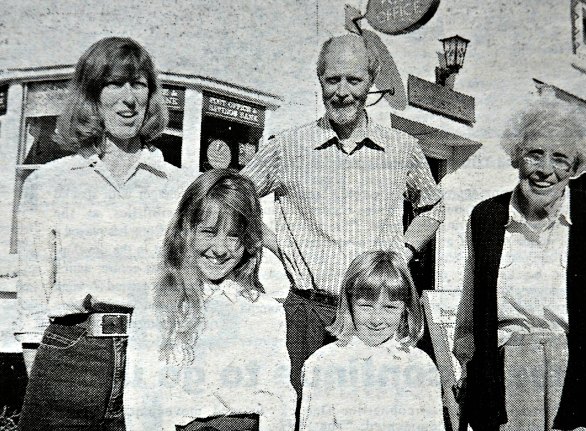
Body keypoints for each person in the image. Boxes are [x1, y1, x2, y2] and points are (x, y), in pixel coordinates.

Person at [241, 33, 445, 398]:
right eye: (332, 79)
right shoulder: (288, 147)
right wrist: (274, 243)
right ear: (319, 80)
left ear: (371, 80)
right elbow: (231, 197)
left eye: (354, 80)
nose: (342, 92)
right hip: (308, 312)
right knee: (302, 413)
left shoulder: (402, 148)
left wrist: (403, 252)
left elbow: (432, 206)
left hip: (375, 314)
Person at [453, 100, 586, 431]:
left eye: (560, 159)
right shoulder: (485, 217)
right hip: (507, 386)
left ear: (575, 167)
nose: (545, 170)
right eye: (534, 154)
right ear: (516, 157)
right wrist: (473, 381)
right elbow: (470, 316)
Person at [15, 37, 189, 430]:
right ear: (92, 95)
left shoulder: (177, 186)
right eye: (115, 83)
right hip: (70, 355)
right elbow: (33, 292)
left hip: (151, 352)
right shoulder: (49, 183)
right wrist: (41, 370)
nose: (129, 98)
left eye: (139, 84)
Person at [125, 169, 296, 431]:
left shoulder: (264, 311)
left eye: (233, 235)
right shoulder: (158, 307)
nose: (219, 249)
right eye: (208, 232)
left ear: (249, 240)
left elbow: (279, 399)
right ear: (186, 231)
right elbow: (143, 401)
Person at [299, 250, 445, 431]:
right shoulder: (323, 363)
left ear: (405, 309)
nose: (377, 319)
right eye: (366, 306)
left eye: (390, 307)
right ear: (349, 304)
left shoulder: (420, 365)